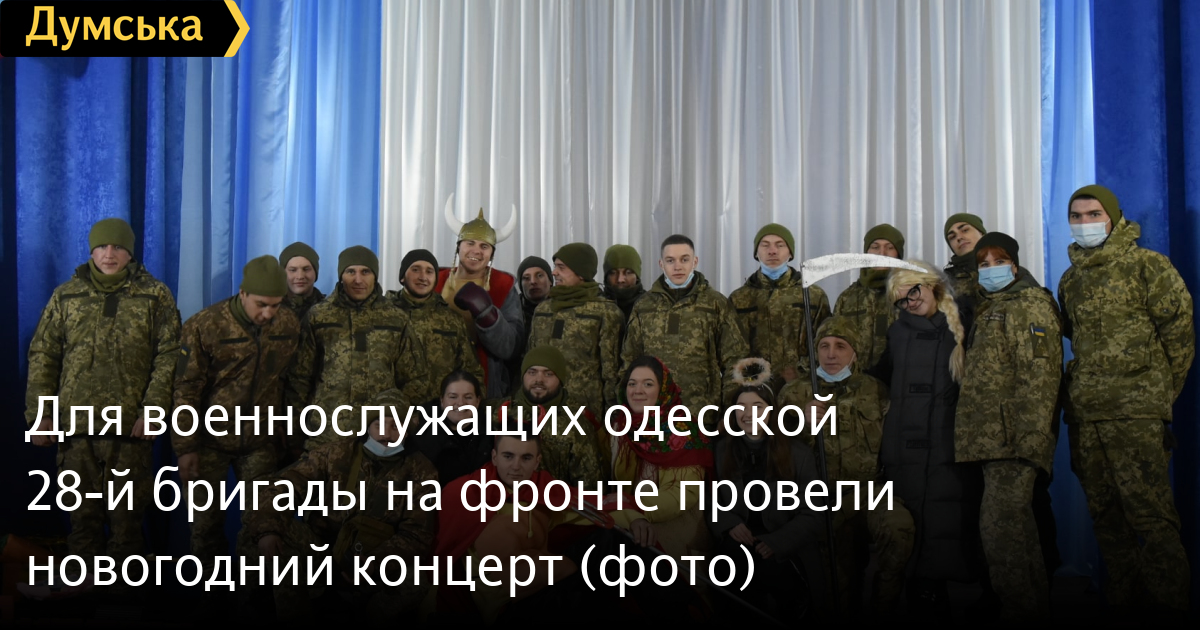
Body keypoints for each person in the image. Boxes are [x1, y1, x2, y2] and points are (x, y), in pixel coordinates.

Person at [1058, 185, 1194, 615]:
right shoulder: (1070, 279)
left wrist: (1156, 395)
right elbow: (1075, 338)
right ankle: (1125, 606)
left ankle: (1167, 608)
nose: (1084, 223)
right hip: (1086, 416)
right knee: (1106, 518)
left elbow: (1179, 335)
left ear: (1113, 217)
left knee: (1152, 519)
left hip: (1136, 415)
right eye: (1076, 216)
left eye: (1093, 214)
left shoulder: (1148, 265)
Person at [25, 218, 180, 571]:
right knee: (82, 522)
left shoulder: (154, 295)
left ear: (130, 253)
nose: (109, 254)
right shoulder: (66, 295)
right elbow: (44, 356)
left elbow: (169, 355)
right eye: (102, 247)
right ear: (91, 251)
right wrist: (41, 415)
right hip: (74, 429)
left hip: (129, 430)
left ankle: (124, 594)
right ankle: (83, 592)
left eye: (118, 247)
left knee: (127, 524)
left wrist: (154, 410)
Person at [434, 433, 657, 624]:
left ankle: (671, 610)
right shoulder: (467, 495)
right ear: (494, 457)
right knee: (589, 599)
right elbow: (512, 581)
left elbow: (591, 509)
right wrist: (572, 567)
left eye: (526, 458)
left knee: (616, 539)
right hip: (512, 609)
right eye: (508, 456)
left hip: (554, 582)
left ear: (537, 461)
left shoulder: (542, 490)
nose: (516, 466)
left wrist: (634, 518)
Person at [955, 232, 1062, 619]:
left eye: (998, 262)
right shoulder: (992, 306)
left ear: (1014, 266)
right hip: (995, 442)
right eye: (983, 264)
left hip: (1014, 443)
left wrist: (1030, 440)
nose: (990, 269)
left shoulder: (1028, 304)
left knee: (1000, 533)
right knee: (1017, 535)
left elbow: (1040, 373)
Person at [239, 416, 438, 622]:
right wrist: (269, 530)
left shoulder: (422, 471)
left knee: (416, 583)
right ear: (367, 426)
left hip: (372, 562)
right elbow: (284, 487)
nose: (386, 434)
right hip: (321, 550)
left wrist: (375, 564)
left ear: (408, 431)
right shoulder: (336, 453)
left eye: (396, 426)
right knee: (267, 529)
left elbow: (417, 535)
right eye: (378, 424)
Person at [778, 318, 915, 616]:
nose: (831, 354)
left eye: (841, 346)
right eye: (824, 346)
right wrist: (800, 421)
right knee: (837, 595)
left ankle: (883, 606)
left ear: (855, 352)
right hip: (821, 497)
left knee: (899, 528)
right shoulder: (794, 393)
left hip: (868, 491)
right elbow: (779, 453)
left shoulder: (876, 390)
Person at [173, 255, 301, 572]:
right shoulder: (205, 325)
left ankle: (250, 596)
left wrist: (286, 431)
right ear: (242, 293)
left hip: (260, 442)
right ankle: (213, 595)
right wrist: (186, 447)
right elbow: (186, 390)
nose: (268, 313)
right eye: (261, 304)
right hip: (209, 443)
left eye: (275, 305)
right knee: (205, 528)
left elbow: (288, 381)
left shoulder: (288, 324)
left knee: (262, 525)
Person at [876, 260, 981, 615]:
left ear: (932, 285)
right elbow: (881, 376)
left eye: (914, 291)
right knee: (912, 521)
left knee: (944, 518)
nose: (909, 302)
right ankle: (919, 590)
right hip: (904, 443)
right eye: (901, 299)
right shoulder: (896, 332)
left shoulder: (963, 324)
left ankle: (936, 590)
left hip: (945, 442)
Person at [711, 358, 825, 619]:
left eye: (757, 406)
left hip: (783, 544)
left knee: (771, 571)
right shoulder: (722, 450)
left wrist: (777, 542)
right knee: (730, 569)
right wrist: (728, 523)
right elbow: (711, 500)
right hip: (740, 543)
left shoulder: (798, 454)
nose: (748, 414)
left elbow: (814, 513)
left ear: (771, 411)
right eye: (741, 407)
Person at [287, 246, 428, 449]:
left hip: (380, 436)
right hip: (327, 433)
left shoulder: (396, 318)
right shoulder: (319, 316)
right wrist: (295, 430)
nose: (358, 280)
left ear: (375, 276)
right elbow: (299, 379)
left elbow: (414, 380)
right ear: (341, 276)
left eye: (365, 272)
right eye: (350, 271)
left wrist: (399, 424)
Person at [622, 235, 748, 417]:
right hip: (653, 415)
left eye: (684, 259)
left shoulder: (715, 304)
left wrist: (730, 411)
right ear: (661, 264)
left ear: (694, 262)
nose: (677, 267)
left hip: (702, 414)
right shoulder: (644, 306)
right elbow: (629, 359)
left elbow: (735, 360)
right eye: (670, 260)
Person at [607, 355, 713, 558]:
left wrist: (632, 510)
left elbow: (681, 494)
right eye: (632, 383)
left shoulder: (683, 430)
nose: (637, 390)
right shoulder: (620, 427)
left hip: (675, 528)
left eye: (648, 384)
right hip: (629, 521)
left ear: (663, 390)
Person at [438, 207, 525, 398]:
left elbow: (511, 347)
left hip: (483, 385)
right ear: (458, 247)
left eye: (484, 246)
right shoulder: (435, 280)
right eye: (470, 243)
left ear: (491, 254)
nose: (476, 251)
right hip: (434, 379)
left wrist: (488, 316)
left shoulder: (503, 286)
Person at [527, 243, 624, 411]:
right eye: (555, 266)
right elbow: (530, 362)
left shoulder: (605, 312)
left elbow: (611, 372)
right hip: (543, 408)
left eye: (561, 267)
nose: (554, 272)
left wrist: (612, 415)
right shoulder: (543, 309)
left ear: (581, 273)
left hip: (586, 412)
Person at [729, 223, 831, 383]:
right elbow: (730, 349)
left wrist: (800, 370)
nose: (772, 251)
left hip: (802, 385)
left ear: (790, 252)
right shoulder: (739, 298)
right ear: (756, 252)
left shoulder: (812, 295)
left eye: (780, 245)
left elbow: (825, 343)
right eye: (765, 245)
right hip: (754, 388)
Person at [387, 248, 483, 402]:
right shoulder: (385, 315)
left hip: (443, 411)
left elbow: (471, 371)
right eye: (415, 270)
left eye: (429, 271)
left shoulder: (451, 320)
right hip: (396, 411)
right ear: (403, 277)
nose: (423, 277)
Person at [499, 346, 604, 486]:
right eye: (532, 372)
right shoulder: (499, 411)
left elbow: (590, 486)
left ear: (560, 379)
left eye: (548, 374)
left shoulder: (576, 425)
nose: (539, 380)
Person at [833, 224, 904, 369]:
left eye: (890, 247)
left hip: (900, 379)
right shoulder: (847, 298)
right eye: (875, 247)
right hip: (856, 381)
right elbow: (834, 342)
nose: (881, 253)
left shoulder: (911, 294)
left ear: (898, 254)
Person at [408, 370, 493, 485]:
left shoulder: (491, 432)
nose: (460, 403)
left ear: (477, 401)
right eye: (453, 397)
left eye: (468, 397)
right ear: (442, 401)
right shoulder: (422, 433)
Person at [279, 241, 324, 320]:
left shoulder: (329, 309)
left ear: (315, 273)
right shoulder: (271, 309)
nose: (300, 276)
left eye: (306, 269)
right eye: (293, 270)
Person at [601, 244, 646, 321]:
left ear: (637, 276)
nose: (620, 279)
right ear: (606, 277)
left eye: (628, 272)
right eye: (613, 273)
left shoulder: (653, 306)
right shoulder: (593, 308)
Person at [517, 255, 553, 342]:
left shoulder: (564, 307)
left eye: (539, 275)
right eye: (526, 278)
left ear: (550, 281)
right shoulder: (512, 311)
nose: (533, 281)